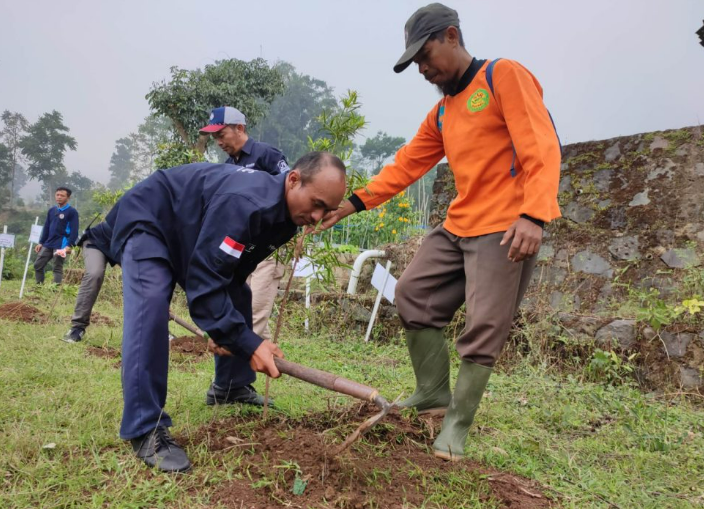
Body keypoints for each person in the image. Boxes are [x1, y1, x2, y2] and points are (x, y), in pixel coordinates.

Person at [320, 3, 561, 461]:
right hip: (458, 226)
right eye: (416, 64)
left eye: (425, 56)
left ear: (451, 36)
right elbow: (407, 164)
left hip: (505, 229)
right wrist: (352, 204)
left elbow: (541, 144)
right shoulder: (444, 113)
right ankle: (432, 394)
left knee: (483, 325)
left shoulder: (502, 76)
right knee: (411, 292)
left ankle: (456, 426)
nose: (423, 69)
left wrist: (534, 215)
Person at [106, 152, 345, 473]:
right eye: (316, 203)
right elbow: (203, 286)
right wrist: (248, 343)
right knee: (150, 305)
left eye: (327, 210)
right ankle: (144, 427)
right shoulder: (245, 203)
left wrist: (226, 332)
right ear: (293, 180)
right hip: (151, 218)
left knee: (238, 294)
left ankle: (230, 385)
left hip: (188, 232)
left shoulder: (287, 216)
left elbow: (227, 272)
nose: (318, 217)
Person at [199, 106, 292, 407]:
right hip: (236, 251)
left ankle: (236, 385)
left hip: (264, 250)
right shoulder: (228, 166)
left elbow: (292, 190)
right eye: (214, 138)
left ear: (239, 128)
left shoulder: (266, 155)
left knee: (253, 315)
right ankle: (226, 385)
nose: (219, 142)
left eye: (222, 134)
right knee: (232, 311)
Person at [62, 217, 115, 343]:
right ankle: (77, 327)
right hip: (96, 241)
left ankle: (157, 328)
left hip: (119, 247)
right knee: (94, 273)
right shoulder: (134, 203)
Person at [34, 187, 79, 284]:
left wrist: (69, 245)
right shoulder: (52, 210)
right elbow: (46, 227)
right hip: (48, 243)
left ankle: (55, 288)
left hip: (61, 244)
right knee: (38, 265)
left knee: (57, 267)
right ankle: (38, 287)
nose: (59, 197)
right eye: (57, 195)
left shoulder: (72, 212)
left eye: (62, 195)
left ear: (68, 197)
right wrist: (41, 242)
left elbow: (74, 230)